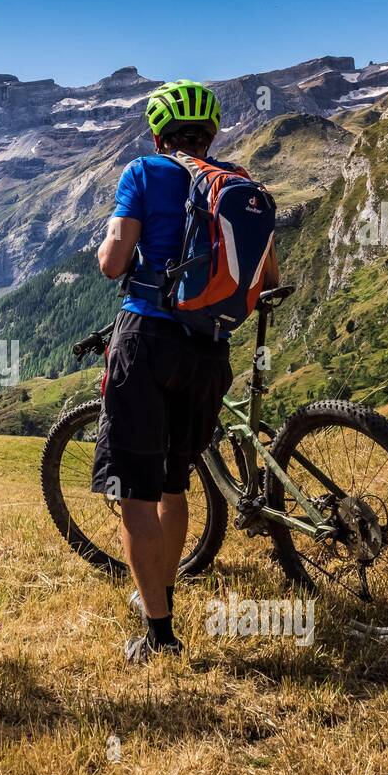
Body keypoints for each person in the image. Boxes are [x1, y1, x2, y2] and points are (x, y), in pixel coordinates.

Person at [93, 79, 279, 663]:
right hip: (209, 349)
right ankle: (163, 592)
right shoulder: (242, 184)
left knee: (134, 493)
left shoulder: (144, 174)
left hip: (146, 338)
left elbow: (113, 262)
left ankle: (160, 632)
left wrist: (114, 241)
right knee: (176, 483)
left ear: (157, 134)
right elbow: (266, 278)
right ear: (213, 133)